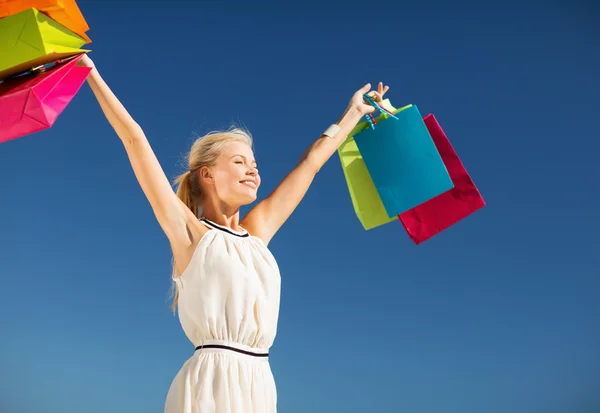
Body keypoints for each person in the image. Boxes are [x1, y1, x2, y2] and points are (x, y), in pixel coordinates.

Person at [76, 53, 390, 413]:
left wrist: (353, 112)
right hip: (210, 385)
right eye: (239, 162)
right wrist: (90, 73)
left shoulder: (256, 235)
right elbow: (135, 140)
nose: (252, 171)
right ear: (207, 175)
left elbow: (311, 163)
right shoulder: (190, 234)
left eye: (254, 165)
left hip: (260, 383)